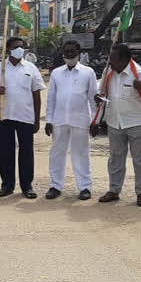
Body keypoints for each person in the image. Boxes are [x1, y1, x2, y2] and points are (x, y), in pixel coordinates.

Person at [93, 43, 141, 207]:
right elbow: (101, 88)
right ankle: (114, 190)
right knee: (115, 159)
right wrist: (98, 96)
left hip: (137, 122)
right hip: (115, 122)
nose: (109, 61)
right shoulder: (109, 72)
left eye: (113, 58)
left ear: (124, 60)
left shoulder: (139, 73)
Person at [0, 37, 45, 199]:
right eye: (16, 47)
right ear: (9, 49)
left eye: (22, 47)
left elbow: (36, 95)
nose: (20, 49)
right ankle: (7, 185)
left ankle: (27, 186)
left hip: (25, 117)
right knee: (5, 153)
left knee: (26, 153)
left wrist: (37, 120)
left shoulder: (31, 68)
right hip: (4, 116)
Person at [44, 40, 99, 201]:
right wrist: (49, 120)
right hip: (59, 119)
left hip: (80, 119)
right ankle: (55, 185)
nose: (69, 55)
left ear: (79, 52)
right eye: (66, 52)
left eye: (72, 52)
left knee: (81, 154)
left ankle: (84, 187)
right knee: (56, 153)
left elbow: (92, 99)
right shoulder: (56, 73)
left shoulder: (88, 72)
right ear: (62, 53)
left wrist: (95, 121)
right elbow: (51, 99)